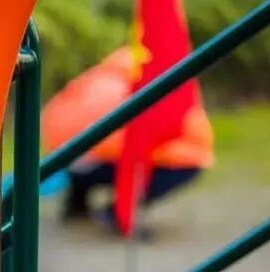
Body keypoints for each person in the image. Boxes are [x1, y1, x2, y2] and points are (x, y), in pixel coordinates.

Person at [41, 47, 214, 232]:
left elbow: (54, 113)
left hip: (68, 158)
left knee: (89, 155)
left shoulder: (95, 78)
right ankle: (117, 212)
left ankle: (77, 203)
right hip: (111, 159)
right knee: (190, 162)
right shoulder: (157, 82)